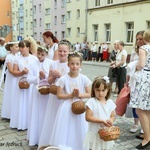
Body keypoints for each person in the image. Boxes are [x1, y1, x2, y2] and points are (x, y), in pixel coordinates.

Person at [49, 51, 92, 150]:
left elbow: (89, 94)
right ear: (68, 64)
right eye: (72, 63)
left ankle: (78, 146)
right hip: (66, 108)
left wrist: (79, 95)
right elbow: (59, 95)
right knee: (66, 129)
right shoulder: (63, 79)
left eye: (77, 64)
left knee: (78, 128)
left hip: (79, 107)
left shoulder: (84, 78)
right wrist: (71, 95)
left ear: (80, 65)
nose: (74, 66)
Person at [38, 39, 70, 148]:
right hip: (54, 95)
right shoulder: (53, 64)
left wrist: (60, 75)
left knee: (62, 118)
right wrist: (53, 76)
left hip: (65, 95)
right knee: (53, 116)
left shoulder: (71, 65)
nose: (62, 53)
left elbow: (71, 82)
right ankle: (51, 140)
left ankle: (62, 141)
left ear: (68, 52)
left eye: (64, 51)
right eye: (60, 51)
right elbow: (49, 81)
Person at [26, 45, 53, 146]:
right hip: (37, 92)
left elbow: (51, 77)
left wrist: (45, 75)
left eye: (42, 54)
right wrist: (38, 76)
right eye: (38, 54)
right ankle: (35, 137)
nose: (40, 56)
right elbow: (29, 80)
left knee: (46, 113)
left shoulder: (51, 63)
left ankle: (46, 137)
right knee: (37, 113)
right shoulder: (32, 64)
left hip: (48, 92)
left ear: (46, 54)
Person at [10, 40, 38, 130]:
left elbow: (37, 72)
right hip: (21, 82)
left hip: (30, 82)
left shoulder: (34, 58)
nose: (21, 49)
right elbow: (14, 72)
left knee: (30, 101)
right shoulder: (17, 58)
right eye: (20, 47)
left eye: (23, 47)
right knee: (21, 102)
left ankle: (30, 123)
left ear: (28, 48)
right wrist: (22, 72)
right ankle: (20, 123)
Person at [129, 29, 150, 149]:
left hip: (144, 79)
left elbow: (141, 65)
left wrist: (135, 67)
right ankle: (147, 135)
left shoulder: (144, 49)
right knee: (147, 109)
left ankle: (147, 138)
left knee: (140, 110)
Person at [83, 76, 116, 150]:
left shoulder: (110, 103)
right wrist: (102, 121)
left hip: (106, 133)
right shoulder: (92, 102)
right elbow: (88, 117)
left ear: (108, 90)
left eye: (103, 90)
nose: (100, 93)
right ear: (94, 90)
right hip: (94, 133)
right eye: (98, 90)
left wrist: (111, 120)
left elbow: (112, 115)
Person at [126, 31, 145, 134]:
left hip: (145, 81)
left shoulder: (147, 51)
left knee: (144, 104)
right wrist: (126, 81)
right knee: (134, 103)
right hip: (134, 81)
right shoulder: (134, 52)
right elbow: (129, 68)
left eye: (141, 39)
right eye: (137, 39)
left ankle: (144, 125)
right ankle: (136, 123)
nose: (138, 41)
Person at [1, 41, 19, 119]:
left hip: (17, 77)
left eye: (18, 46)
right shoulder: (9, 57)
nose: (18, 48)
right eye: (16, 47)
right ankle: (9, 113)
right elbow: (11, 70)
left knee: (16, 94)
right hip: (12, 78)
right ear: (11, 48)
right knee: (11, 93)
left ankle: (16, 112)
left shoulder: (18, 55)